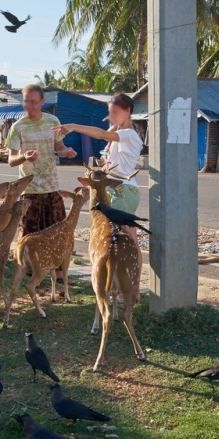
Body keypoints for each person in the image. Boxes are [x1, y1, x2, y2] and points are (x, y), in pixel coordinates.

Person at [52, 93, 144, 302]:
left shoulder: (128, 134)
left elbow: (102, 134)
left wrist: (74, 126)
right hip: (117, 190)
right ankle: (126, 288)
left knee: (126, 241)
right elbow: (107, 135)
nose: (110, 115)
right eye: (109, 112)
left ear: (127, 111)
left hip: (123, 190)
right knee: (127, 240)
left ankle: (130, 290)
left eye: (115, 112)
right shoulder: (121, 132)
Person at [7, 84, 78, 280]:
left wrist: (67, 152)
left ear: (42, 102)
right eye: (25, 101)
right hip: (29, 190)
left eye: (32, 101)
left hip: (51, 187)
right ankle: (29, 275)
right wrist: (24, 158)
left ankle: (60, 275)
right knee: (28, 238)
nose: (28, 105)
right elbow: (11, 161)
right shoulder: (17, 127)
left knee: (57, 235)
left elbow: (60, 148)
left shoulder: (53, 121)